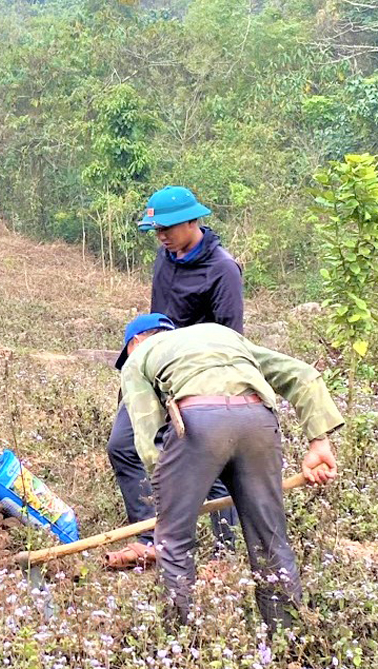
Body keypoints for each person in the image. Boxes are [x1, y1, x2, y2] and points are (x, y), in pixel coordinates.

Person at [118, 314, 342, 631]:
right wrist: (319, 443)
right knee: (271, 541)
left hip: (198, 423)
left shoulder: (137, 357)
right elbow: (302, 374)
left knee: (174, 541)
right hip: (259, 423)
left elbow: (147, 432)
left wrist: (168, 492)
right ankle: (287, 644)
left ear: (134, 342)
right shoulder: (222, 336)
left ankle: (179, 643)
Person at [105, 186, 242, 570]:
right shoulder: (164, 258)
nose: (161, 235)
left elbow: (232, 337)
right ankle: (151, 538)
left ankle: (224, 553)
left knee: (205, 460)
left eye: (167, 227)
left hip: (197, 380)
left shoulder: (222, 270)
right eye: (155, 229)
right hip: (150, 371)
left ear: (192, 221)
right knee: (123, 446)